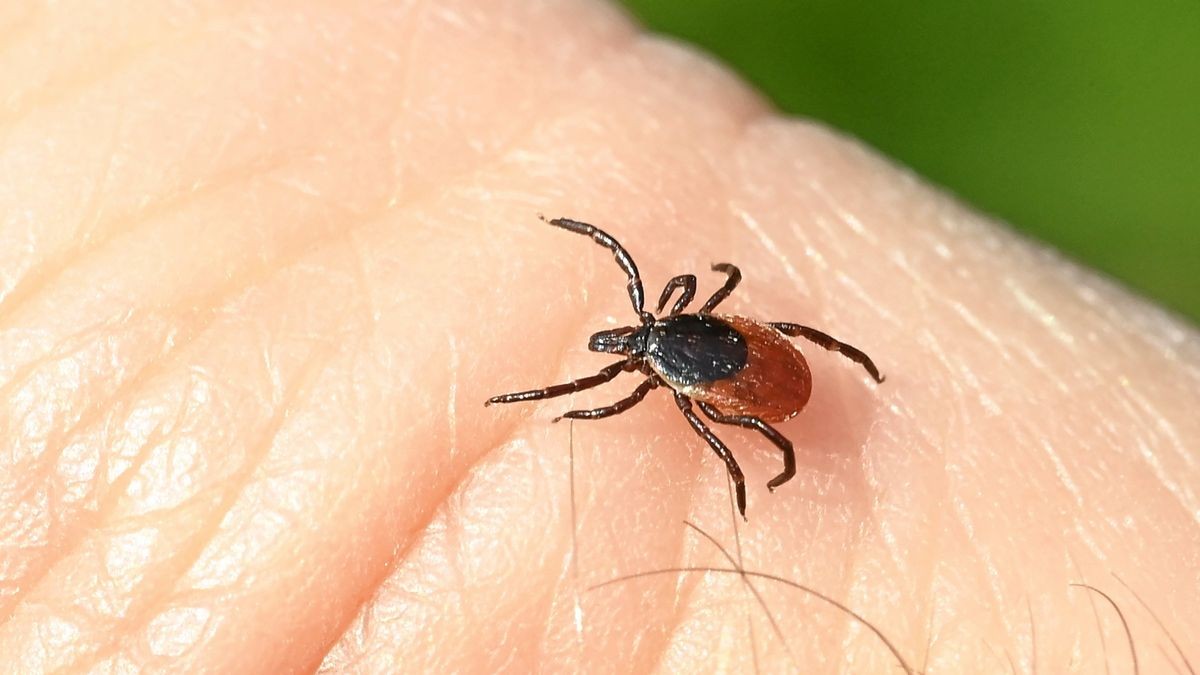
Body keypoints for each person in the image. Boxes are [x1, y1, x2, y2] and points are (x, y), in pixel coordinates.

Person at [0, 1, 1195, 672]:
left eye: (638, 329)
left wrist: (587, 408)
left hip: (768, 385)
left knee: (774, 387)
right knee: (788, 365)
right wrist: (798, 393)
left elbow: (749, 387)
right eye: (635, 337)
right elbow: (770, 350)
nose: (632, 342)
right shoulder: (699, 345)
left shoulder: (682, 371)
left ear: (671, 320)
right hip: (772, 382)